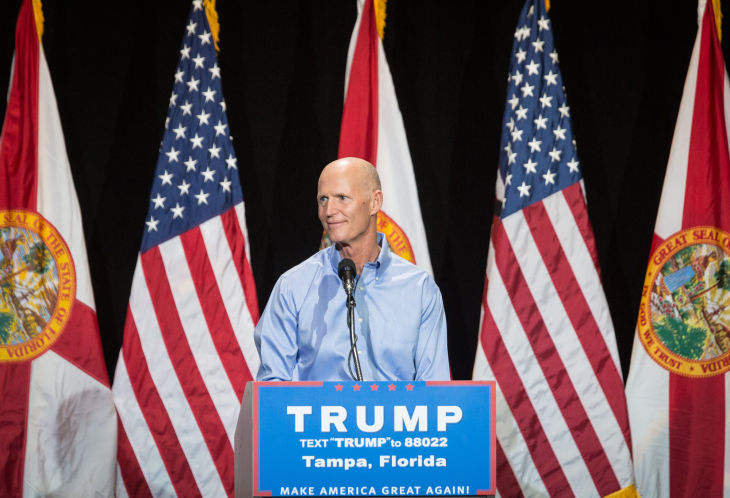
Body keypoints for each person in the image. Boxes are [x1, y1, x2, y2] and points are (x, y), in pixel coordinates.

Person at [254, 157, 449, 381]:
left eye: (342, 198)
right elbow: (272, 389)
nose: (329, 210)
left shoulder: (420, 289)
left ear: (375, 202)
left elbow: (435, 391)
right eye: (323, 199)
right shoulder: (292, 287)